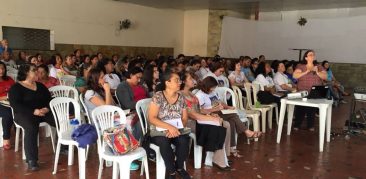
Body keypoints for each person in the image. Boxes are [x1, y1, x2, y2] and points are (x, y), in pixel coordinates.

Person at [195, 76, 261, 157]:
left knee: (232, 122)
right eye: (212, 87)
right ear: (207, 86)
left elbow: (220, 102)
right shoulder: (200, 95)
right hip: (210, 115)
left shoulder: (212, 92)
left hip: (219, 111)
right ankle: (247, 132)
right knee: (233, 115)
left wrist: (228, 107)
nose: (213, 89)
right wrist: (214, 109)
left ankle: (231, 148)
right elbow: (200, 110)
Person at [8, 64, 56, 171]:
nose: (37, 72)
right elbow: (15, 105)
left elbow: (49, 99)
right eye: (34, 70)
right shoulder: (16, 88)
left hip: (42, 112)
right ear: (26, 73)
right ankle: (32, 160)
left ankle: (65, 146)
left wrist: (46, 109)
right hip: (24, 114)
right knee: (31, 127)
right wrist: (34, 111)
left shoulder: (40, 86)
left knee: (58, 119)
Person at [181, 72, 232, 170]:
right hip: (189, 122)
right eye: (191, 78)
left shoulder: (191, 94)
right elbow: (192, 114)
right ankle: (217, 159)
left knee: (225, 124)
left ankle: (217, 156)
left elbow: (199, 110)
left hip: (199, 119)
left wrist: (210, 114)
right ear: (184, 81)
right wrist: (211, 118)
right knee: (217, 126)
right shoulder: (180, 95)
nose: (194, 81)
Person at [148, 70, 191, 179]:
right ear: (167, 83)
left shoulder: (181, 97)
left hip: (177, 128)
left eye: (180, 80)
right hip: (159, 130)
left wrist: (175, 129)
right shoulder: (158, 96)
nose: (180, 82)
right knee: (164, 143)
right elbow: (152, 118)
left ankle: (179, 167)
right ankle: (171, 171)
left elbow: (185, 118)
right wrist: (169, 128)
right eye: (176, 80)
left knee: (184, 141)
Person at [293, 50, 327, 131]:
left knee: (311, 108)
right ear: (306, 57)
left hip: (315, 91)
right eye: (310, 54)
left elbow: (325, 77)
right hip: (302, 91)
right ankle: (297, 124)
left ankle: (310, 125)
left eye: (313, 54)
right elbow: (295, 76)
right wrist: (307, 71)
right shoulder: (301, 66)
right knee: (300, 108)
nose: (312, 56)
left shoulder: (318, 66)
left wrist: (317, 72)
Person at [0, 61, 15, 150]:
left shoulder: (9, 79)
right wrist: (5, 97)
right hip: (1, 103)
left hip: (10, 101)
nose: (1, 70)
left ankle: (20, 131)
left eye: (2, 68)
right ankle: (6, 138)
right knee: (8, 114)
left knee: (21, 110)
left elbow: (15, 90)